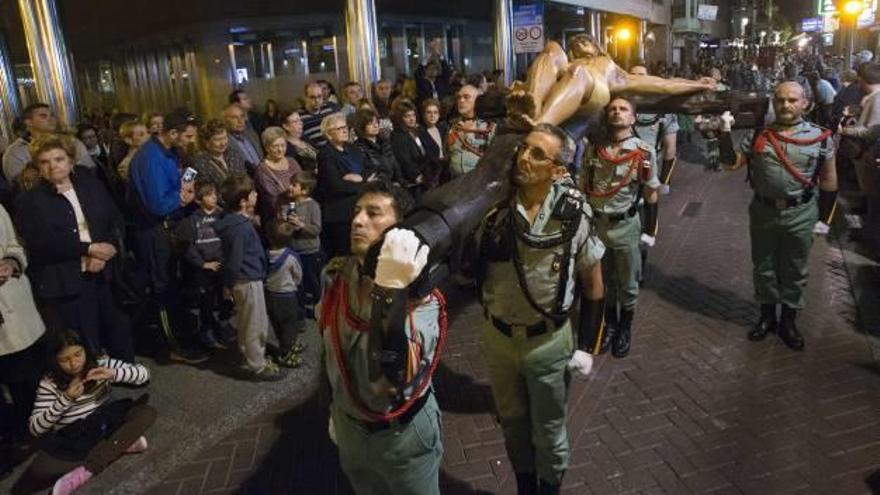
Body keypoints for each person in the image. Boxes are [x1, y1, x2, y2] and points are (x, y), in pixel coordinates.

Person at [473, 125, 605, 494]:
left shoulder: (573, 214)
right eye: (524, 149)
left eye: (537, 154)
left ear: (558, 169)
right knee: (513, 426)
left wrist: (587, 347)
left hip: (547, 343)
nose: (524, 158)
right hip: (499, 339)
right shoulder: (493, 208)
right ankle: (525, 487)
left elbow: (594, 285)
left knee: (548, 432)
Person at [318, 181, 446, 495]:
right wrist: (333, 410)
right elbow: (328, 354)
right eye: (357, 212)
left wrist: (392, 287)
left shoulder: (423, 301)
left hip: (402, 438)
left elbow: (388, 382)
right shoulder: (335, 277)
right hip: (350, 427)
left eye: (373, 214)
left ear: (401, 230)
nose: (358, 221)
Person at [719, 81, 837, 350]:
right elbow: (731, 165)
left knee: (795, 268)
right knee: (764, 267)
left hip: (801, 212)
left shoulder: (820, 137)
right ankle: (767, 317)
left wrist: (825, 219)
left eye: (792, 100)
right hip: (764, 212)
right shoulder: (759, 135)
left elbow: (829, 180)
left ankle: (789, 322)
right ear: (774, 102)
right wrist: (723, 133)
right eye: (780, 100)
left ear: (805, 103)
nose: (785, 105)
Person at [15, 133, 135, 362]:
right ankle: (92, 389)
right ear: (37, 167)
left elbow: (113, 218)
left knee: (117, 325)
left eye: (59, 159)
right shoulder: (30, 201)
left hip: (105, 269)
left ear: (70, 161)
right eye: (45, 162)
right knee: (83, 335)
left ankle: (126, 373)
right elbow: (41, 243)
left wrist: (107, 248)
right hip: (67, 278)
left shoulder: (90, 183)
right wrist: (88, 250)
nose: (53, 166)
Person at [11, 330, 153, 495]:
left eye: (78, 354)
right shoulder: (49, 382)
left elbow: (145, 374)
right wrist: (65, 399)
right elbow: (35, 428)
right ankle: (120, 444)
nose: (74, 363)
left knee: (146, 413)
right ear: (55, 361)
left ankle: (87, 471)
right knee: (34, 477)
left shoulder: (100, 363)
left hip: (106, 419)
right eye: (65, 359)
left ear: (86, 349)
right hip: (76, 435)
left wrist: (113, 373)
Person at [581, 97, 661, 358]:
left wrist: (650, 231)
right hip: (597, 227)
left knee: (627, 282)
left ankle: (625, 328)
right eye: (613, 108)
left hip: (626, 226)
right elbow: (584, 187)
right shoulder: (594, 150)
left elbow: (651, 193)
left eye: (623, 109)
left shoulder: (644, 152)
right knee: (604, 282)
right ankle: (610, 326)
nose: (617, 112)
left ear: (633, 119)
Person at [128, 109, 208, 364]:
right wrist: (181, 198)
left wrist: (183, 186)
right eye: (187, 136)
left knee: (176, 282)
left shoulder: (169, 151)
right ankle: (175, 344)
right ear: (172, 133)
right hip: (155, 231)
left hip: (170, 226)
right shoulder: (149, 159)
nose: (190, 141)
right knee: (164, 287)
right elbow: (158, 204)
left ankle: (183, 330)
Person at [507, 35, 715, 128]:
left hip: (595, 87)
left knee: (578, 72)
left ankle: (542, 123)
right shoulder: (568, 63)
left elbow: (661, 84)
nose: (579, 44)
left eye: (585, 41)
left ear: (597, 47)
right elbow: (545, 69)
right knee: (551, 47)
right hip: (568, 84)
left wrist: (697, 84)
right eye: (575, 43)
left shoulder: (608, 65)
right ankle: (532, 103)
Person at [214, 174, 285, 381]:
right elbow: (235, 260)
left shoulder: (232, 222)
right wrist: (228, 284)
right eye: (253, 193)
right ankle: (258, 364)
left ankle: (249, 352)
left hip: (243, 279)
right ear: (243, 202)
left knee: (246, 320)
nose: (256, 195)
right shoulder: (241, 228)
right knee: (255, 322)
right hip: (247, 280)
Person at [0, 203, 46, 459]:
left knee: (29, 376)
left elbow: (15, 245)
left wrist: (10, 263)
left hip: (14, 304)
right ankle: (13, 437)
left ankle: (38, 428)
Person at [175, 181, 227, 350]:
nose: (213, 197)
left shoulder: (222, 215)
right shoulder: (192, 220)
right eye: (208, 194)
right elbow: (188, 247)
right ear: (199, 199)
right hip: (204, 269)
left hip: (221, 265)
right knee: (207, 301)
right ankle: (206, 330)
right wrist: (203, 263)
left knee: (224, 299)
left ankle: (221, 327)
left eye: (214, 194)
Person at [3, 104, 96, 184]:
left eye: (52, 115)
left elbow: (90, 170)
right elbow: (20, 184)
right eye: (43, 116)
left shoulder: (72, 142)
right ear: (29, 122)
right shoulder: (14, 152)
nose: (50, 119)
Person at [315, 113, 365, 258]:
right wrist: (363, 184)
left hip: (359, 205)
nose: (345, 130)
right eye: (339, 128)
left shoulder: (353, 148)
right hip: (340, 213)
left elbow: (368, 171)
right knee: (346, 256)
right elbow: (336, 185)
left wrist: (359, 178)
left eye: (345, 127)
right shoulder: (325, 154)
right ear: (329, 135)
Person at [838, 62, 880, 228]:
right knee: (870, 197)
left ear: (863, 80)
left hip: (870, 154)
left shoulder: (877, 99)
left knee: (873, 198)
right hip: (866, 155)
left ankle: (870, 235)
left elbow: (872, 132)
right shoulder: (871, 98)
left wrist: (846, 131)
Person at [630, 64, 680, 193]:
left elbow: (671, 148)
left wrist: (665, 180)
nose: (637, 79)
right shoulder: (620, 104)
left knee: (646, 198)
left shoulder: (663, 109)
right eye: (633, 75)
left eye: (641, 75)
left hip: (648, 163)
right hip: (622, 164)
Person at [279, 171, 322, 309]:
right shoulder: (288, 205)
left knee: (313, 281)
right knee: (297, 282)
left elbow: (316, 229)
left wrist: (301, 225)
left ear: (305, 190)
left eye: (294, 185)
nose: (290, 187)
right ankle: (300, 311)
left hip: (309, 251)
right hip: (293, 250)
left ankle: (320, 306)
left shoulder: (312, 206)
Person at [264, 219, 304, 368]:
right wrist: (294, 284)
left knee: (277, 323)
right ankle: (286, 352)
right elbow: (298, 275)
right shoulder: (291, 257)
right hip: (287, 296)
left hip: (270, 294)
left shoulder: (266, 254)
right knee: (289, 325)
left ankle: (284, 344)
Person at [254, 126, 302, 221]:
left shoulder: (292, 161)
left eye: (283, 145)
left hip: (301, 210)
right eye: (275, 146)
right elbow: (273, 199)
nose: (280, 150)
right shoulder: (263, 170)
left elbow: (304, 184)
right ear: (267, 148)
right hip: (280, 217)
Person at [447, 84, 496, 178]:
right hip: (455, 183)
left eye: (466, 97)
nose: (461, 101)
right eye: (459, 97)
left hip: (478, 182)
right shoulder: (453, 125)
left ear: (477, 101)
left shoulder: (487, 127)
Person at [190, 118, 248, 190]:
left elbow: (245, 179)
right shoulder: (195, 162)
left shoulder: (234, 154)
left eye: (224, 138)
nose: (223, 143)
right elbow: (186, 183)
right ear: (206, 142)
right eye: (217, 140)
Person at [353, 108, 401, 183]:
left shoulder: (384, 141)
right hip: (378, 185)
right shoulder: (359, 147)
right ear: (362, 126)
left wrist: (399, 181)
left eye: (376, 122)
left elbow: (395, 163)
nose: (375, 126)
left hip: (395, 182)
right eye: (370, 123)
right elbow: (370, 171)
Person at [222, 104, 263, 174]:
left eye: (242, 116)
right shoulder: (224, 142)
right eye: (234, 117)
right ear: (225, 120)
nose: (240, 121)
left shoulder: (253, 135)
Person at [302, 81, 341, 149]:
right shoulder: (299, 116)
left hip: (334, 149)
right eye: (312, 97)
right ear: (306, 97)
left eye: (319, 96)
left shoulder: (329, 110)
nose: (317, 100)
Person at [419, 98, 448, 187]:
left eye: (435, 112)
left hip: (446, 172)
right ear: (424, 115)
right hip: (432, 176)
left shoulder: (443, 128)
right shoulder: (420, 132)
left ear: (439, 115)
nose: (432, 115)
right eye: (429, 112)